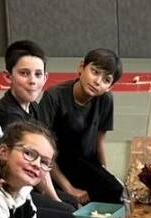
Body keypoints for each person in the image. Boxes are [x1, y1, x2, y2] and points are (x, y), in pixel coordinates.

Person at [0, 39, 78, 218]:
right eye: (24, 73)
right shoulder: (8, 115)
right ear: (8, 76)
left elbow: (42, 156)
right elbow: (27, 164)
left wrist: (60, 194)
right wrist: (54, 199)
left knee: (70, 203)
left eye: (38, 74)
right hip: (10, 189)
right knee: (67, 213)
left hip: (26, 179)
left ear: (45, 77)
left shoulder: (33, 107)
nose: (32, 81)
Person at [36, 48, 124, 205]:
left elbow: (99, 142)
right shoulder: (54, 97)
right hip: (55, 165)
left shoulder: (106, 100)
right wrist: (69, 188)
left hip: (85, 163)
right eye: (95, 72)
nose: (97, 81)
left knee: (116, 192)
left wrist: (105, 173)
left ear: (110, 87)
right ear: (81, 67)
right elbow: (43, 153)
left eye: (106, 80)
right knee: (70, 206)